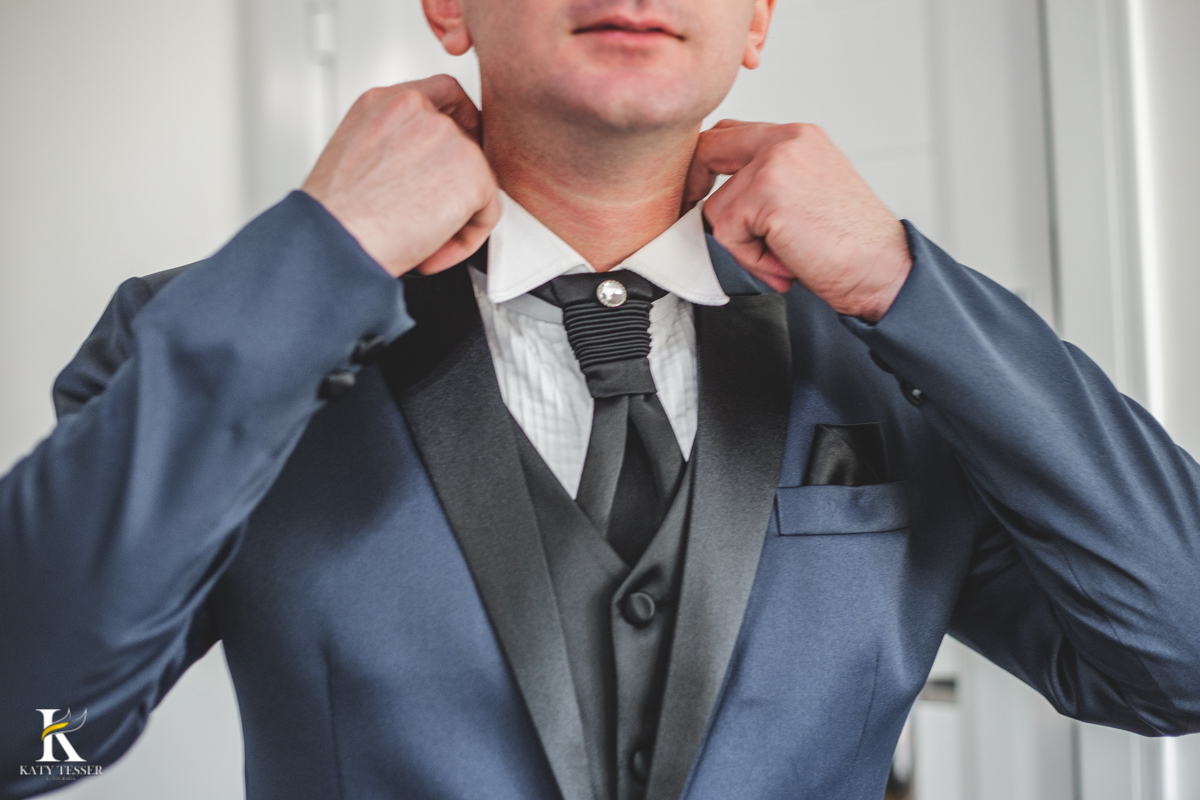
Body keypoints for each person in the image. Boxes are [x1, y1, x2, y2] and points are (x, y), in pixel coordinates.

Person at [3, 0, 1199, 797]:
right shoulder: (228, 336)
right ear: (450, 3)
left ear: (760, 17)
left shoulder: (900, 355)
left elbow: (1181, 663)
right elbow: (34, 732)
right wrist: (323, 254)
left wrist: (903, 282)